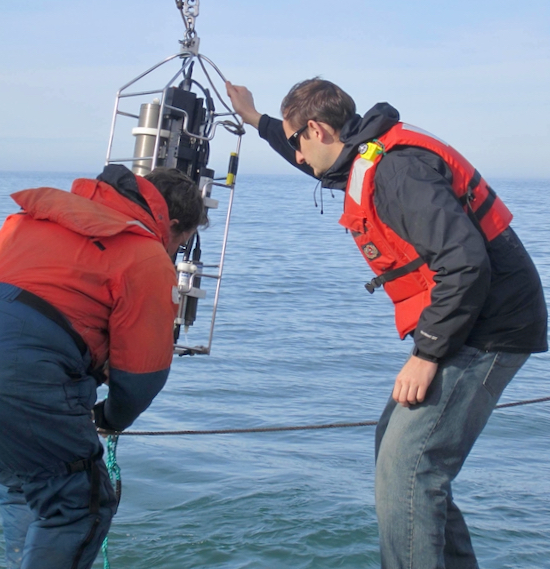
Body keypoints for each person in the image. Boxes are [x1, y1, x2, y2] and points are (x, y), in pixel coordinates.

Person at [226, 77, 547, 569]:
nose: (297, 156)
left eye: (297, 142)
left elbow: (465, 263)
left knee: (408, 468)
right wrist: (258, 122)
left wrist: (426, 355)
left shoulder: (397, 172)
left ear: (318, 128)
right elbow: (315, 162)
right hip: (469, 320)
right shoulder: (365, 155)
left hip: (491, 326)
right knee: (396, 451)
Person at [0, 164, 206, 569]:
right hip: (23, 372)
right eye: (181, 242)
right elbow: (141, 378)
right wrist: (111, 416)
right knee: (80, 504)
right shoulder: (145, 254)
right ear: (174, 226)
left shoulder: (26, 222)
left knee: (24, 481)